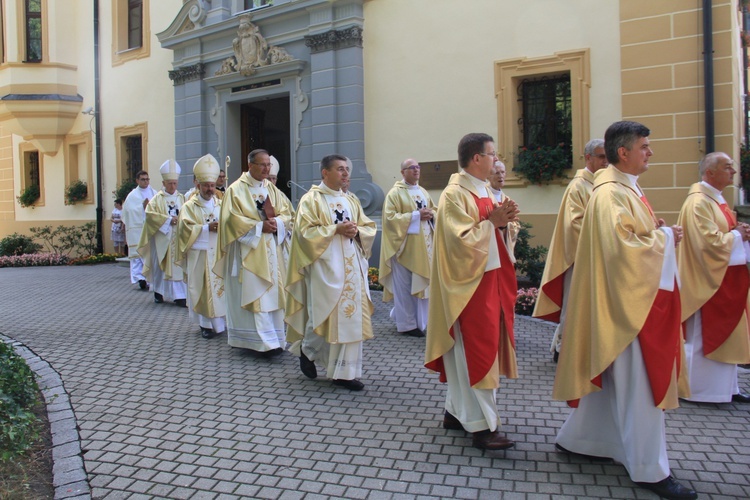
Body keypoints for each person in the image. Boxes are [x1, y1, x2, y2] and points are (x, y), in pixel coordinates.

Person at [552, 121, 696, 500]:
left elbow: (631, 236)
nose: (650, 152)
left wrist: (656, 230)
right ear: (623, 153)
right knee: (640, 386)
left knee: (616, 380)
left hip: (627, 299)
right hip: (628, 306)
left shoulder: (621, 188)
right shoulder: (611, 193)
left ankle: (582, 439)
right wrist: (663, 237)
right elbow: (623, 250)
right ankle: (650, 469)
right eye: (645, 146)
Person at [425, 133, 520, 450]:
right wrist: (492, 223)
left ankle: (455, 412)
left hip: (488, 282)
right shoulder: (454, 194)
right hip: (468, 287)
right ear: (476, 158)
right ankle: (482, 427)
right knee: (475, 353)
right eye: (492, 154)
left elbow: (497, 230)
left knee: (477, 351)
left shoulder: (486, 191)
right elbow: (459, 242)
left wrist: (504, 223)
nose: (496, 160)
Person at [285, 154, 377, 391]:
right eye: (340, 169)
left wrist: (357, 232)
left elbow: (367, 226)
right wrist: (335, 229)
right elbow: (304, 233)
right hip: (327, 267)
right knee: (323, 316)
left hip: (352, 266)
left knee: (351, 316)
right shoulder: (311, 200)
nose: (346, 173)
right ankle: (308, 350)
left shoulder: (352, 199)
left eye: (347, 169)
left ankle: (344, 372)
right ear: (325, 173)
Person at [677, 152, 750, 404]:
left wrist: (740, 234)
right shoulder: (699, 203)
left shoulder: (716, 200)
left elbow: (724, 234)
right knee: (700, 338)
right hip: (705, 281)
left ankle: (726, 389)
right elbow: (707, 244)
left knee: (728, 333)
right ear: (710, 173)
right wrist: (737, 235)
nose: (733, 172)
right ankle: (697, 391)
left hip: (722, 278)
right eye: (727, 167)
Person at [533, 139, 608, 361]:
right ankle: (562, 349)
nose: (606, 161)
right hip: (580, 258)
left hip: (599, 257)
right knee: (574, 306)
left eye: (607, 156)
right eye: (601, 156)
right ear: (588, 158)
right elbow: (575, 224)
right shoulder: (578, 186)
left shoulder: (603, 185)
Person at [215, 149, 294, 357]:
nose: (267, 169)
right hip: (249, 253)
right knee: (257, 293)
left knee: (273, 296)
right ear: (250, 165)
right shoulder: (236, 190)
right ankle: (260, 343)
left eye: (268, 165)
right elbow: (231, 220)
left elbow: (288, 213)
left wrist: (277, 223)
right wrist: (260, 227)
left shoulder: (273, 190)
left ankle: (276, 339)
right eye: (262, 165)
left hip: (272, 252)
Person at [379, 158, 436, 337]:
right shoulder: (394, 194)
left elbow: (434, 210)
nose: (416, 170)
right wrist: (415, 215)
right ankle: (407, 324)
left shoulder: (423, 192)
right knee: (404, 288)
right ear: (403, 172)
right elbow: (389, 219)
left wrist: (431, 214)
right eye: (412, 168)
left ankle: (422, 322)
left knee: (423, 285)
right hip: (403, 248)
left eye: (418, 167)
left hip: (424, 248)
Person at [177, 154, 227, 339]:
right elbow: (184, 230)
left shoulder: (221, 205)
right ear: (198, 185)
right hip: (200, 254)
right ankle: (205, 325)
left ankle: (221, 322)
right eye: (205, 185)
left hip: (218, 254)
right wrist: (206, 228)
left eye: (212, 185)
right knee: (203, 288)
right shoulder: (189, 206)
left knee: (220, 288)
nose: (209, 189)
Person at [137, 160, 188, 306]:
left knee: (178, 266)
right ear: (164, 183)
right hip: (162, 238)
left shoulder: (182, 198)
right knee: (160, 267)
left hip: (178, 237)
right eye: (170, 183)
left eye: (175, 183)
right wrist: (167, 220)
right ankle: (158, 291)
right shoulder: (156, 200)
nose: (173, 186)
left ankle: (180, 296)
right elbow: (150, 215)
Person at [121, 170, 157, 290]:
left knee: (150, 255)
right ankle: (140, 278)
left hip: (151, 229)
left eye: (147, 179)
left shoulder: (154, 193)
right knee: (138, 256)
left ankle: (150, 278)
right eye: (143, 179)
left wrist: (149, 207)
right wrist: (142, 207)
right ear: (137, 181)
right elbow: (127, 211)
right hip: (137, 230)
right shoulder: (132, 195)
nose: (145, 181)